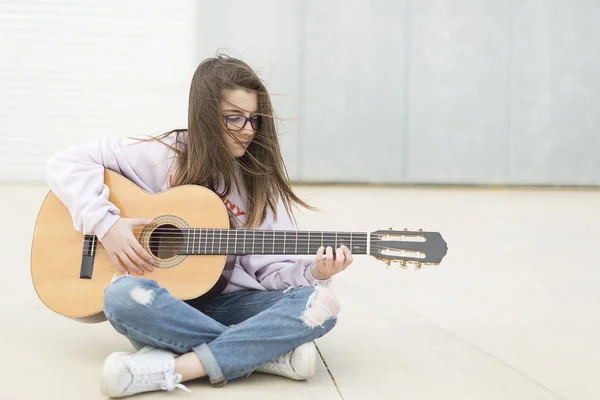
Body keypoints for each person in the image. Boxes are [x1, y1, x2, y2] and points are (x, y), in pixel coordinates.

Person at [46, 54, 353, 398]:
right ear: (205, 117)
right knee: (120, 296)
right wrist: (106, 224)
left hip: (230, 306)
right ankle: (263, 353)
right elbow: (67, 161)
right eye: (234, 118)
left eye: (254, 119)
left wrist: (317, 272)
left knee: (320, 302)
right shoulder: (163, 154)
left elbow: (271, 275)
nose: (248, 130)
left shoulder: (258, 185)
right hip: (165, 302)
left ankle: (175, 367)